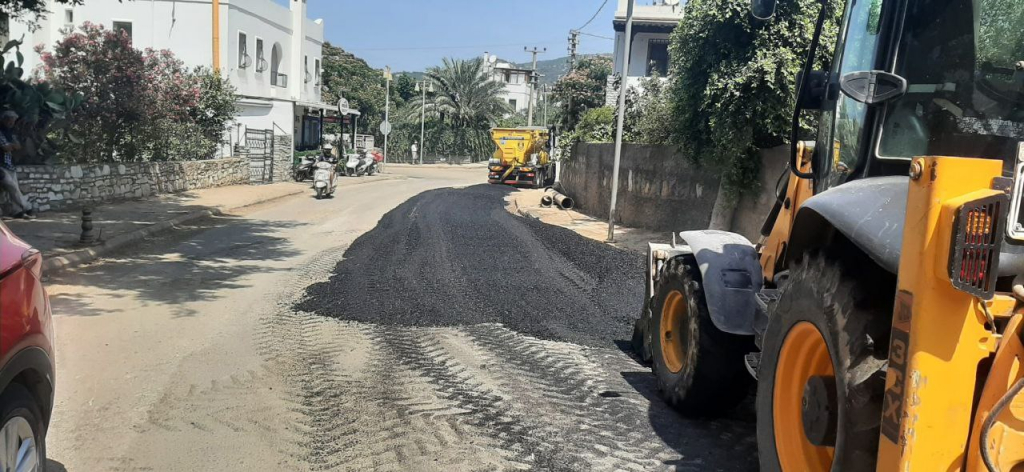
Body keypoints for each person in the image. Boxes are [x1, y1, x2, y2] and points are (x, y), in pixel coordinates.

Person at [0, 110, 34, 219]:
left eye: (13, 121)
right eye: (10, 120)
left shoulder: (10, 133)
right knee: (12, 187)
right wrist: (12, 146)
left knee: (14, 188)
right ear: (4, 120)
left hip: (10, 164)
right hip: (1, 165)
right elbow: (6, 147)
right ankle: (27, 207)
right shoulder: (1, 132)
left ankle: (17, 212)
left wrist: (11, 146)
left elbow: (18, 146)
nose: (11, 123)